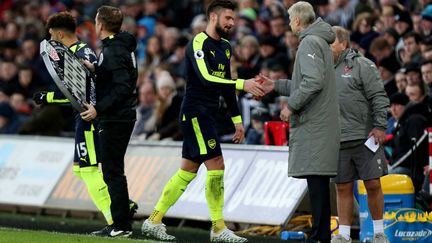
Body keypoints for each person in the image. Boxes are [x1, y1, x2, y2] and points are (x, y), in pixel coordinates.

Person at [140, 0, 263, 242]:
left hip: (208, 115)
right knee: (216, 163)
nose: (232, 23)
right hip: (195, 112)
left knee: (187, 171)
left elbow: (226, 89)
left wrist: (237, 120)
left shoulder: (226, 47)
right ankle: (218, 228)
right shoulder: (198, 42)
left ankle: (153, 220)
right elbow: (207, 79)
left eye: (234, 19)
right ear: (214, 17)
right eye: (228, 18)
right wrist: (242, 83)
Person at [32, 12, 137, 231]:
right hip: (86, 116)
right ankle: (120, 208)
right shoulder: (79, 52)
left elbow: (81, 94)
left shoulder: (80, 52)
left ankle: (115, 218)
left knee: (89, 169)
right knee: (82, 169)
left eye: (51, 35)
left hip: (90, 117)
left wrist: (47, 97)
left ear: (59, 33)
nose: (50, 39)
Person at [258, 2, 339, 242]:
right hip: (319, 122)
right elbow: (307, 81)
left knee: (316, 182)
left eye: (290, 20)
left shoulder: (309, 43)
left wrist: (291, 106)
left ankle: (320, 235)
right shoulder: (317, 41)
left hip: (315, 123)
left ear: (297, 21)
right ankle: (320, 234)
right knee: (317, 182)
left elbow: (312, 82)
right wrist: (275, 85)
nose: (289, 24)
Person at [80, 6, 138, 237]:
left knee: (113, 172)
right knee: (113, 171)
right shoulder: (119, 46)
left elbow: (122, 87)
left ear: (100, 24)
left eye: (95, 21)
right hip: (120, 116)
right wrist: (97, 69)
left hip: (116, 117)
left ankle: (121, 225)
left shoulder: (113, 50)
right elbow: (118, 77)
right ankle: (118, 223)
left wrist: (98, 109)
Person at [330, 26, 390, 243]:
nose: (327, 46)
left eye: (331, 42)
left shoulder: (363, 65)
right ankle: (344, 235)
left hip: (365, 136)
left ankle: (379, 233)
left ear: (343, 43)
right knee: (342, 186)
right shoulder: (323, 67)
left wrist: (381, 126)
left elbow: (379, 97)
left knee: (373, 183)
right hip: (337, 138)